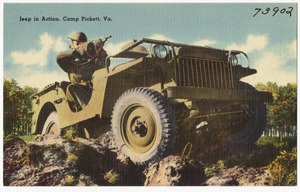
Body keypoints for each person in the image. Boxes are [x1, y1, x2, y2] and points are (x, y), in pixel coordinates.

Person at [56, 31, 109, 111]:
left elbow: (106, 63)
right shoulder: (70, 61)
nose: (80, 46)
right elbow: (59, 58)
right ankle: (89, 110)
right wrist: (79, 51)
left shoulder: (92, 58)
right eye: (77, 44)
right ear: (73, 45)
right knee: (71, 87)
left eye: (82, 44)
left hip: (95, 89)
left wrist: (99, 50)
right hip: (79, 92)